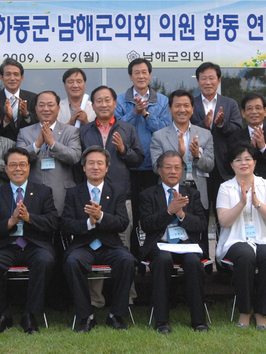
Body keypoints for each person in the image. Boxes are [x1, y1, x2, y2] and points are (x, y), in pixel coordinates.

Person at [0, 147, 58, 334]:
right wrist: (11, 222)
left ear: (29, 167)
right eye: (13, 165)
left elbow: (53, 222)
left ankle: (30, 314)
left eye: (22, 164)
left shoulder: (43, 192)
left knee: (45, 261)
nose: (18, 169)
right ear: (5, 169)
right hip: (6, 245)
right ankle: (2, 314)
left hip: (34, 245)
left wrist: (30, 218)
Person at [80, 85, 144, 307]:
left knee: (122, 248)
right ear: (93, 105)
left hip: (120, 198)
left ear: (115, 104)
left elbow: (139, 160)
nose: (103, 104)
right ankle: (95, 299)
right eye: (99, 100)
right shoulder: (85, 130)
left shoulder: (126, 128)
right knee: (94, 244)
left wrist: (124, 151)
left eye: (108, 100)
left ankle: (126, 297)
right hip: (93, 197)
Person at [61, 146, 137, 332]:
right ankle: (86, 315)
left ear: (106, 168)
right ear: (84, 167)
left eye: (100, 163)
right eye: (91, 163)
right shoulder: (73, 193)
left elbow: (122, 222)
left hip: (109, 245)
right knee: (72, 262)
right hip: (83, 245)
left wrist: (101, 216)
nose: (95, 167)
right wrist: (89, 222)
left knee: (127, 260)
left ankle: (116, 316)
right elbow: (66, 225)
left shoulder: (117, 191)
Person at [139, 150, 209, 334]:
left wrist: (182, 214)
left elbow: (201, 224)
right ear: (159, 170)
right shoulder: (148, 194)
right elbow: (146, 224)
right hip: (160, 245)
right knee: (163, 260)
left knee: (194, 262)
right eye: (168, 167)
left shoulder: (192, 194)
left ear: (182, 171)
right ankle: (162, 321)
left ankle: (199, 322)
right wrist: (169, 211)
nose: (173, 171)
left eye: (177, 167)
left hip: (187, 245)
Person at [216, 143, 266, 330]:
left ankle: (261, 312)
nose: (243, 163)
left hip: (264, 238)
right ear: (232, 165)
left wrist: (257, 203)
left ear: (254, 162)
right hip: (235, 240)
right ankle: (245, 311)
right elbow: (224, 222)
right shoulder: (225, 188)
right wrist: (241, 204)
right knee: (245, 256)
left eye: (247, 159)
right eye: (238, 160)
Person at [150, 89, 214, 264]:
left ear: (192, 109)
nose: (182, 109)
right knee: (169, 231)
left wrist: (197, 156)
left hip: (197, 192)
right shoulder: (159, 136)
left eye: (186, 105)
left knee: (199, 233)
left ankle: (202, 271)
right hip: (170, 193)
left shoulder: (205, 134)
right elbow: (156, 168)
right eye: (177, 105)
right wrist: (178, 155)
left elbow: (210, 165)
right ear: (170, 109)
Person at [115, 58, 171, 246]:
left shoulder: (162, 101)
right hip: (127, 165)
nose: (141, 76)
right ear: (130, 76)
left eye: (144, 72)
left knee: (151, 212)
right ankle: (134, 255)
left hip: (152, 166)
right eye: (136, 72)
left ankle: (151, 250)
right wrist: (135, 112)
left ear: (150, 75)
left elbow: (164, 129)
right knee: (131, 213)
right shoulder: (121, 100)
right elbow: (117, 129)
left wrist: (146, 114)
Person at [191, 62, 242, 262]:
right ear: (198, 81)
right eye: (203, 78)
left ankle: (224, 262)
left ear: (219, 80)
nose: (208, 82)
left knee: (224, 217)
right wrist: (202, 126)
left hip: (222, 169)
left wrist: (221, 124)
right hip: (198, 167)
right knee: (200, 215)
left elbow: (237, 131)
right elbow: (183, 125)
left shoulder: (229, 104)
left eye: (212, 78)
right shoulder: (191, 103)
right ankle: (201, 260)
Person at [227, 93, 266, 237]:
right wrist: (250, 149)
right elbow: (228, 167)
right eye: (249, 109)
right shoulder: (235, 138)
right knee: (242, 239)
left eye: (258, 108)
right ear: (243, 113)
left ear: (265, 111)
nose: (254, 112)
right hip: (241, 197)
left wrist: (263, 147)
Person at [17, 91, 81, 215]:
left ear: (58, 108)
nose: (46, 109)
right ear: (35, 109)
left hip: (62, 194)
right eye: (41, 105)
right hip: (33, 193)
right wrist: (37, 145)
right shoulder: (24, 132)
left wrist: (52, 143)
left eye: (50, 105)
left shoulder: (71, 131)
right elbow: (19, 159)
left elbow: (75, 157)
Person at [0, 58, 38, 141]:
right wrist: (7, 119)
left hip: (27, 147)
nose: (12, 78)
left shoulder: (33, 98)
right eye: (8, 74)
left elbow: (38, 126)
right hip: (1, 147)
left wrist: (26, 114)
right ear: (1, 77)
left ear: (22, 78)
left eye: (16, 74)